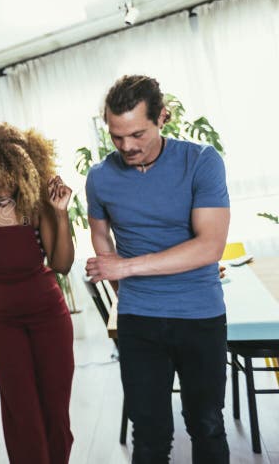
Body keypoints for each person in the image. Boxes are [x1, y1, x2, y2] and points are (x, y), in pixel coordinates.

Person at [85, 75, 230, 463]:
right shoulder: (99, 177)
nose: (127, 146)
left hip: (200, 315)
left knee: (207, 424)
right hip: (139, 321)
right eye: (116, 137)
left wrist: (127, 268)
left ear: (162, 117)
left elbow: (210, 245)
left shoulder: (201, 161)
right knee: (148, 435)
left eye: (137, 134)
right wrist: (117, 276)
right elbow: (101, 238)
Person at [0, 123, 75, 464]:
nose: (0, 188)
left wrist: (60, 214)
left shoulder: (36, 201)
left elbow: (62, 264)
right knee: (22, 410)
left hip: (48, 313)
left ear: (22, 171)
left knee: (55, 407)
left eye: (7, 180)